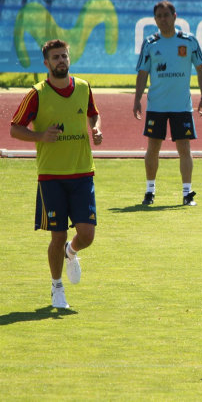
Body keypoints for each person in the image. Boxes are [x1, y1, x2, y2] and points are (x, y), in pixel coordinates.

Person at [10, 39, 103, 309]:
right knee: (57, 235)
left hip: (83, 173)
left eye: (64, 56)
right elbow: (15, 128)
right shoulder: (37, 94)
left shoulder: (84, 87)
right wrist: (40, 135)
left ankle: (71, 253)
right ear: (46, 63)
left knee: (87, 235)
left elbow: (93, 115)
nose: (61, 60)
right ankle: (56, 287)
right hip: (51, 177)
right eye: (55, 57)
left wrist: (95, 129)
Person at [133, 0, 202, 206]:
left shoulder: (188, 41)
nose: (163, 19)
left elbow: (201, 69)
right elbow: (142, 73)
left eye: (166, 15)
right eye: (159, 16)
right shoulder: (150, 43)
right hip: (156, 106)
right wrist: (137, 98)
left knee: (184, 149)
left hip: (181, 107)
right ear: (155, 19)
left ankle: (187, 193)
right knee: (153, 148)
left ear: (175, 17)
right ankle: (150, 191)